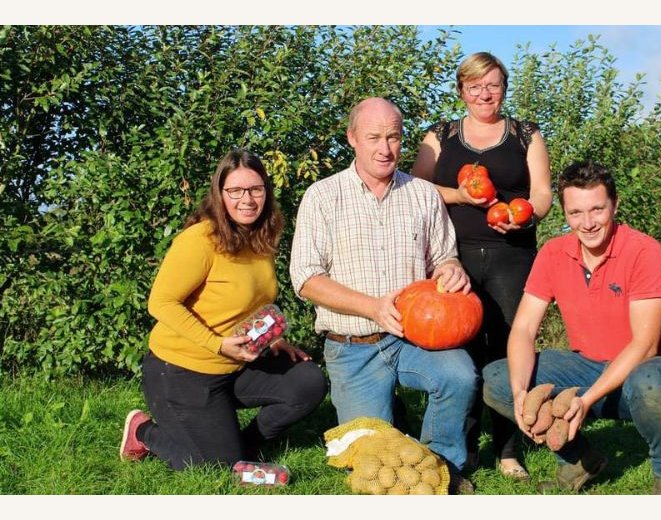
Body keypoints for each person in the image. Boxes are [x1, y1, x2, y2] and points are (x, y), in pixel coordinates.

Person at [289, 97, 479, 494]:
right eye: (374, 137)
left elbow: (445, 256)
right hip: (352, 346)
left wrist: (451, 269)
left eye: (393, 137)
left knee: (460, 375)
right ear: (352, 138)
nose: (384, 148)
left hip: (415, 339)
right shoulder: (322, 196)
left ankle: (441, 464)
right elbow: (305, 278)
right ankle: (394, 424)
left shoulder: (423, 194)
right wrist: (372, 308)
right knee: (369, 459)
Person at [482, 161, 661, 495]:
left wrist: (587, 400)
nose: (587, 223)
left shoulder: (644, 251)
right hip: (588, 367)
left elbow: (645, 346)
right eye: (576, 212)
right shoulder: (554, 252)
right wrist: (520, 391)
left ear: (615, 205)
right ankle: (580, 460)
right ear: (565, 213)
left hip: (647, 375)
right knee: (497, 380)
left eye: (597, 209)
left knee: (651, 380)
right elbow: (523, 328)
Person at [120, 149, 327, 470]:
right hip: (180, 373)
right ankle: (144, 431)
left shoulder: (260, 237)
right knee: (217, 472)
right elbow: (160, 303)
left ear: (266, 192)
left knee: (308, 382)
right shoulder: (200, 240)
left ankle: (243, 450)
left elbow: (254, 300)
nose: (247, 199)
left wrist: (269, 339)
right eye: (235, 191)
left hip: (233, 368)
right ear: (220, 194)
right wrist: (217, 344)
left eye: (256, 189)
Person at [411, 51, 553, 480]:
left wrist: (523, 214)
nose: (484, 94)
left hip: (514, 257)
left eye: (492, 85)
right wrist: (458, 196)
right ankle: (465, 448)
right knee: (463, 352)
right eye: (475, 86)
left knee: (510, 349)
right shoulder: (440, 136)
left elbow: (543, 194)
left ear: (504, 89)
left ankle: (510, 449)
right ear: (461, 91)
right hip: (455, 259)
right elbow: (416, 187)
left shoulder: (527, 135)